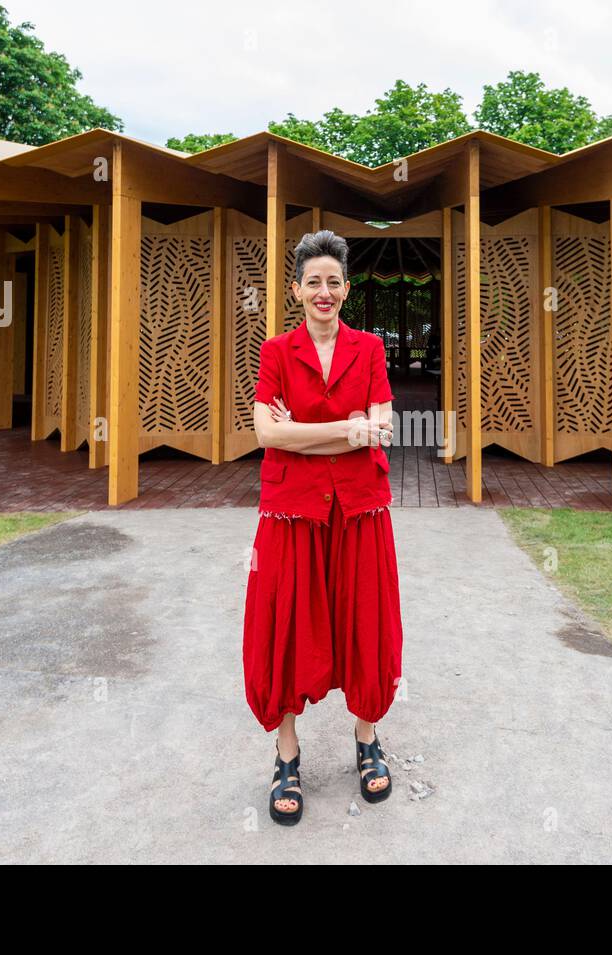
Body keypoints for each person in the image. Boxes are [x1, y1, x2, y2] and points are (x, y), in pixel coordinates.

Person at [243, 229, 404, 826]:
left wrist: (304, 432)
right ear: (296, 289)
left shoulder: (370, 349)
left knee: (365, 620)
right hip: (292, 511)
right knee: (285, 622)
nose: (325, 292)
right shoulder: (276, 352)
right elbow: (267, 435)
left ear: (346, 288)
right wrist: (345, 428)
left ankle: (367, 741)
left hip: (360, 506)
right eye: (314, 282)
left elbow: (382, 430)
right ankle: (287, 756)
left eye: (334, 282)